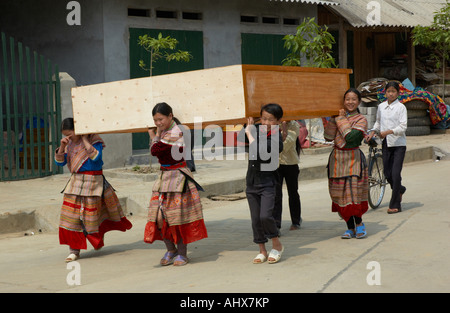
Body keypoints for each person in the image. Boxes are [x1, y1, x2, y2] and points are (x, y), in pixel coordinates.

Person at [55, 118, 132, 262]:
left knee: (93, 217)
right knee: (71, 217)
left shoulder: (95, 140)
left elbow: (96, 158)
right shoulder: (69, 144)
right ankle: (74, 250)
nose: (69, 137)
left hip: (93, 184)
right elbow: (60, 162)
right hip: (75, 183)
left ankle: (96, 240)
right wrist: (61, 147)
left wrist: (85, 140)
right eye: (66, 135)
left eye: (71, 134)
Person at [144, 102, 207, 266]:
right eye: (155, 120)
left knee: (177, 217)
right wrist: (158, 134)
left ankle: (182, 254)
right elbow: (157, 151)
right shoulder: (165, 133)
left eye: (161, 119)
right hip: (164, 178)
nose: (158, 123)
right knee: (159, 217)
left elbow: (155, 151)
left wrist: (154, 135)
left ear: (170, 116)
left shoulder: (177, 132)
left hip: (178, 178)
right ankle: (171, 249)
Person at [238, 103, 284, 264]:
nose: (265, 123)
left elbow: (261, 153)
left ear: (278, 121)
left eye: (270, 120)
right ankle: (262, 250)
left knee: (265, 216)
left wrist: (251, 135)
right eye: (263, 118)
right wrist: (247, 125)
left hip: (268, 182)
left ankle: (276, 245)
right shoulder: (256, 129)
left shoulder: (277, 137)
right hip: (251, 181)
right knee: (255, 219)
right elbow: (240, 137)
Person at [324, 88, 369, 239]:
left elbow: (351, 138)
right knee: (340, 194)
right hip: (337, 160)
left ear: (359, 101)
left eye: (354, 99)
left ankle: (360, 224)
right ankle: (349, 227)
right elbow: (328, 136)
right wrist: (333, 118)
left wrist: (340, 119)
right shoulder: (338, 117)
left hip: (353, 160)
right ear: (343, 101)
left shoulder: (361, 119)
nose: (350, 102)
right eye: (347, 99)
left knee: (353, 195)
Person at [366, 81, 407, 214]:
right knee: (387, 174)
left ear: (398, 93)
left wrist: (388, 132)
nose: (390, 93)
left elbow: (403, 127)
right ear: (385, 92)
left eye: (393, 91)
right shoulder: (381, 106)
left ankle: (395, 204)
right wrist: (372, 132)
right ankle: (399, 189)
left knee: (395, 174)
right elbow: (378, 122)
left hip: (398, 144)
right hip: (386, 144)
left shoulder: (401, 108)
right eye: (388, 91)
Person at [273, 120, 302, 231]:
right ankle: (276, 224)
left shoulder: (294, 125)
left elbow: (285, 146)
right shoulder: (273, 123)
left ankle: (296, 220)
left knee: (293, 193)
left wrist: (284, 129)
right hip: (276, 164)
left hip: (291, 164)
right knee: (276, 194)